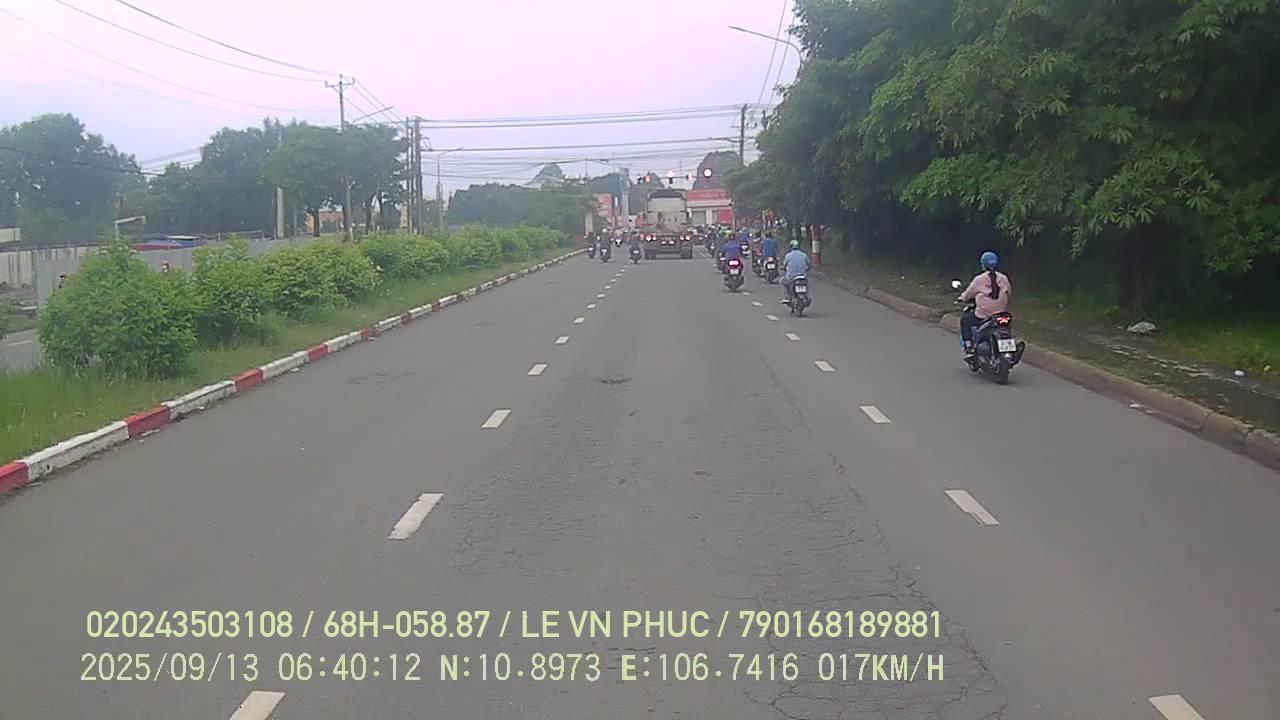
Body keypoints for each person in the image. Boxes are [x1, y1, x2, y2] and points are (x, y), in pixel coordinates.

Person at [957, 251, 1012, 358]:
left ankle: (969, 346)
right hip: (1001, 315)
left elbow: (967, 295)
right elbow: (1009, 294)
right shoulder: (1004, 278)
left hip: (983, 316)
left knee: (965, 320)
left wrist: (961, 298)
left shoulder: (979, 280)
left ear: (983, 265)